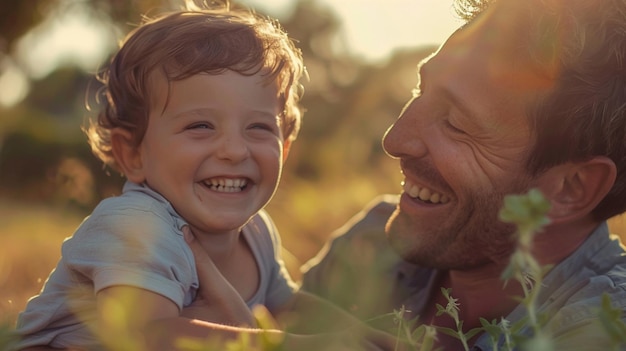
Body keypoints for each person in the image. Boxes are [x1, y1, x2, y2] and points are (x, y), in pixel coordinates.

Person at [12, 2, 388, 350]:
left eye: (259, 128)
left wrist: (364, 337)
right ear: (133, 153)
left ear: (284, 148)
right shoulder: (135, 226)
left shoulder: (256, 233)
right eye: (201, 126)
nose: (235, 150)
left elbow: (285, 307)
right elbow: (149, 336)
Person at [301, 0, 626, 350]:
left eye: (456, 124)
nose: (395, 140)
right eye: (419, 90)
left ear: (571, 187)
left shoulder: (604, 329)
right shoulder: (370, 242)